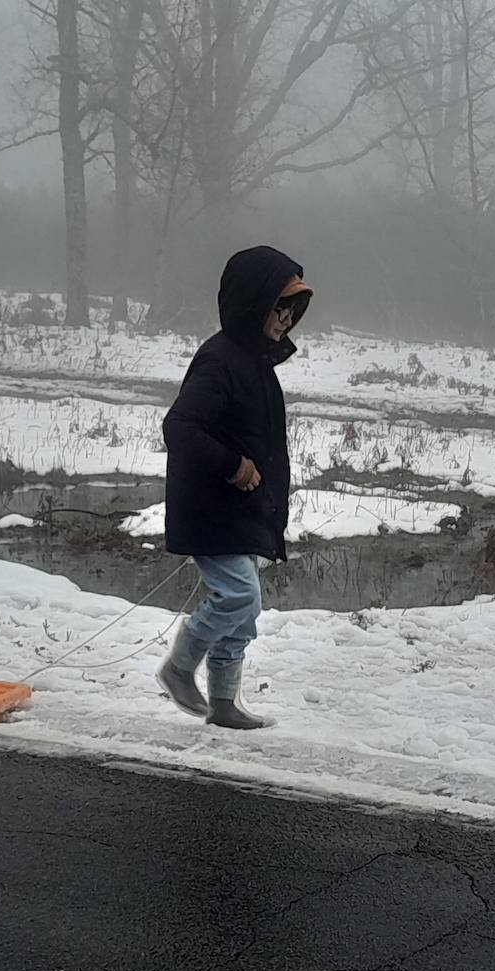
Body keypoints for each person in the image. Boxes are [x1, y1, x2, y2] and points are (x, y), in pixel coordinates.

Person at [157, 246, 312, 730]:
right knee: (240, 599)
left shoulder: (256, 364)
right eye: (277, 308)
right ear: (251, 304)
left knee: (242, 617)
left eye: (292, 311)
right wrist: (233, 467)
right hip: (212, 509)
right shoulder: (219, 361)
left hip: (242, 511)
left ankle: (224, 703)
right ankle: (179, 667)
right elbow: (180, 428)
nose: (286, 320)